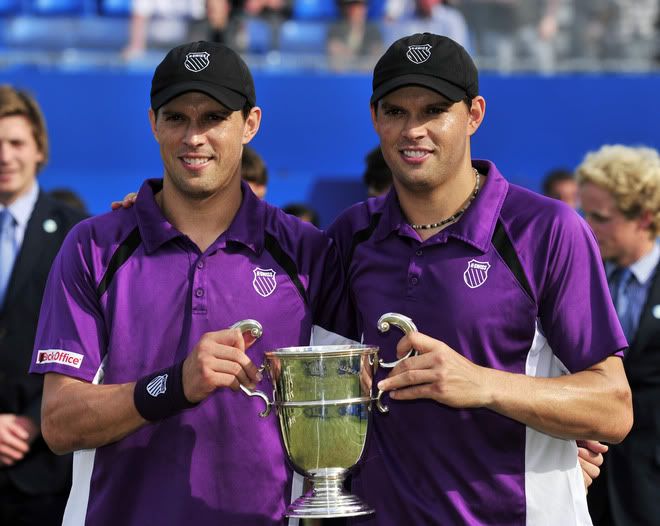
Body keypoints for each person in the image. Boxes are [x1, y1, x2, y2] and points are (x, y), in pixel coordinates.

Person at [31, 41, 348, 526]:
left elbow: (341, 417)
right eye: (177, 117)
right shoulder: (93, 247)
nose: (193, 137)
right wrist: (175, 384)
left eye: (214, 117)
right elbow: (58, 422)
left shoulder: (308, 252)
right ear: (153, 123)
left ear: (250, 123)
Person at [326, 33, 633, 525]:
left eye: (433, 110)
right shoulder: (351, 235)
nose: (413, 130)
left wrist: (484, 385)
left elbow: (614, 409)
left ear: (474, 114)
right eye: (396, 112)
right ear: (374, 118)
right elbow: (328, 395)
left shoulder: (547, 230)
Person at [0, 85, 86, 525]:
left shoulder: (76, 234)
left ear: (38, 150)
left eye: (16, 143)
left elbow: (89, 342)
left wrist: (33, 421)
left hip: (47, 470)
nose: (5, 156)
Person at [577, 144, 660, 526]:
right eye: (584, 212)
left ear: (644, 218)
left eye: (600, 217)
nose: (586, 225)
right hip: (590, 485)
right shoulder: (578, 281)